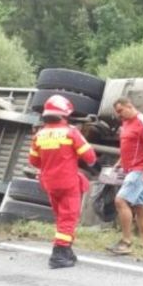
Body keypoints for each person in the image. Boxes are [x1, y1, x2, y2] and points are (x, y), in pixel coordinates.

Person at [28, 95, 97, 269]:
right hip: (67, 182)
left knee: (61, 216)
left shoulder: (39, 135)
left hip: (49, 183)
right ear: (65, 115)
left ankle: (66, 251)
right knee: (69, 216)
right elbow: (90, 157)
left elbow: (34, 162)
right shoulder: (71, 132)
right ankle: (59, 254)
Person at [108, 97, 143, 255]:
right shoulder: (125, 123)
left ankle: (126, 242)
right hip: (129, 169)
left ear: (129, 106)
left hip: (139, 169)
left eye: (120, 111)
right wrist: (119, 163)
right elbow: (128, 147)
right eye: (117, 113)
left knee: (121, 200)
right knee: (140, 208)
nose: (119, 115)